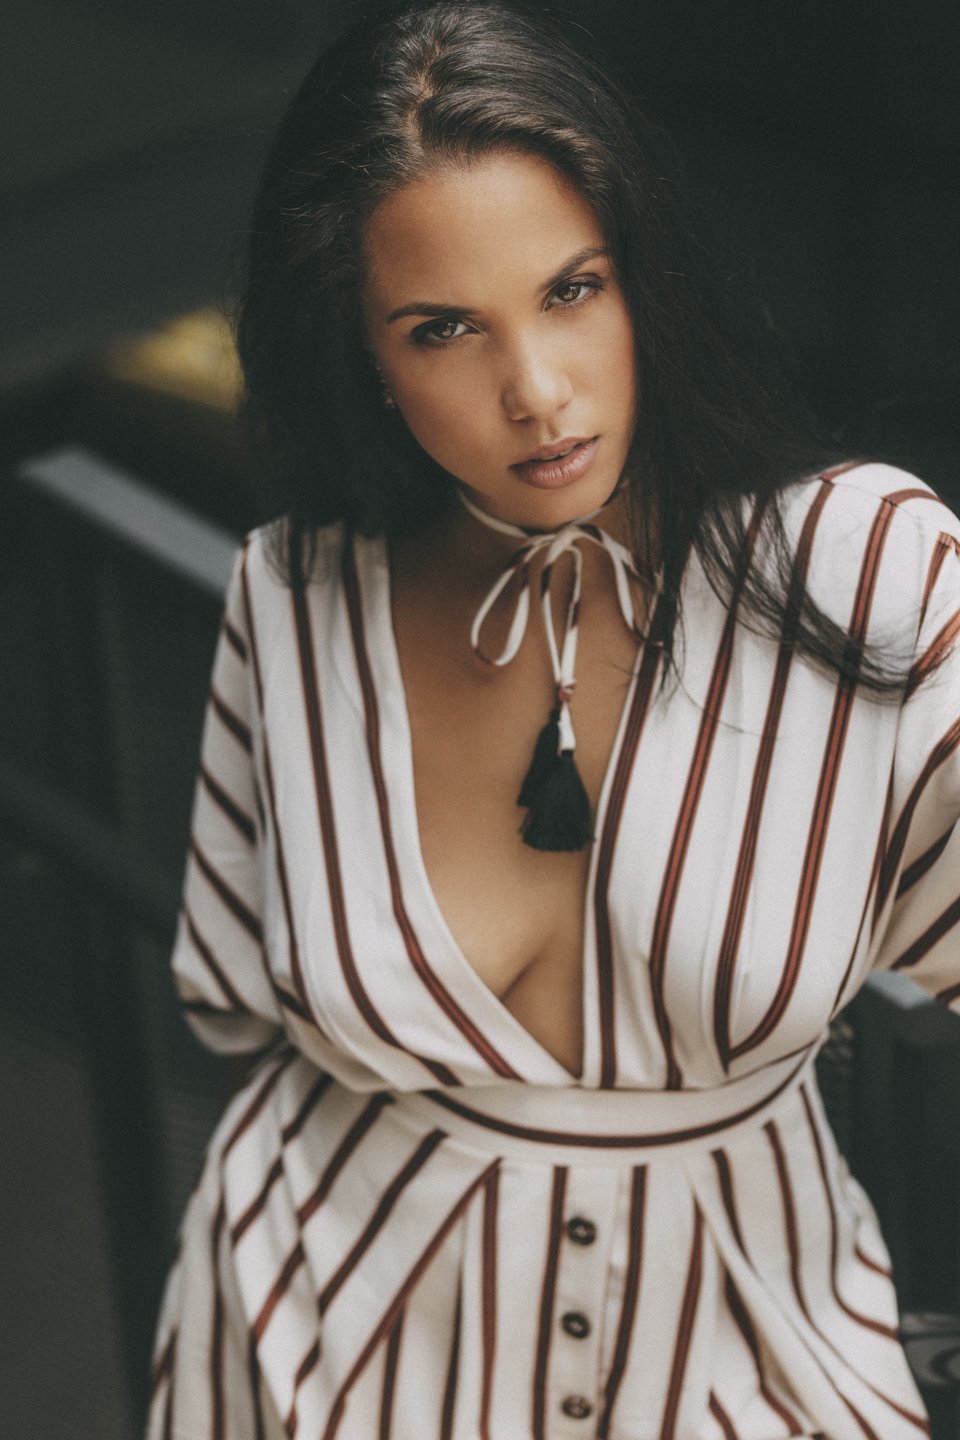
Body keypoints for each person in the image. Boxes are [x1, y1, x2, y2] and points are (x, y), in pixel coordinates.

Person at [147, 2, 960, 1437]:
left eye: (573, 289)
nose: (536, 392)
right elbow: (230, 1008)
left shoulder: (871, 570)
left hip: (748, 1368)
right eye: (444, 329)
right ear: (365, 354)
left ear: (646, 276)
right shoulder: (294, 592)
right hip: (316, 1359)